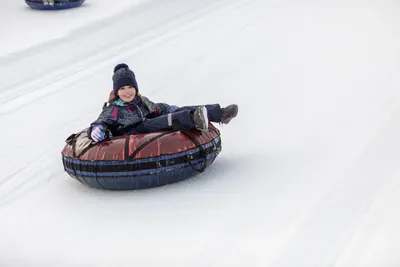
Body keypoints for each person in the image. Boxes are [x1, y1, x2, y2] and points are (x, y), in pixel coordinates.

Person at [89, 63, 238, 143]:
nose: (127, 92)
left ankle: (220, 113)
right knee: (162, 121)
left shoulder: (140, 101)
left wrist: (171, 108)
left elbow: (157, 108)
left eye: (130, 87)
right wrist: (97, 129)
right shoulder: (114, 109)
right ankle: (194, 118)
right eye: (122, 88)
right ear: (116, 92)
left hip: (147, 125)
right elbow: (100, 122)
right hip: (131, 135)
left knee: (176, 111)